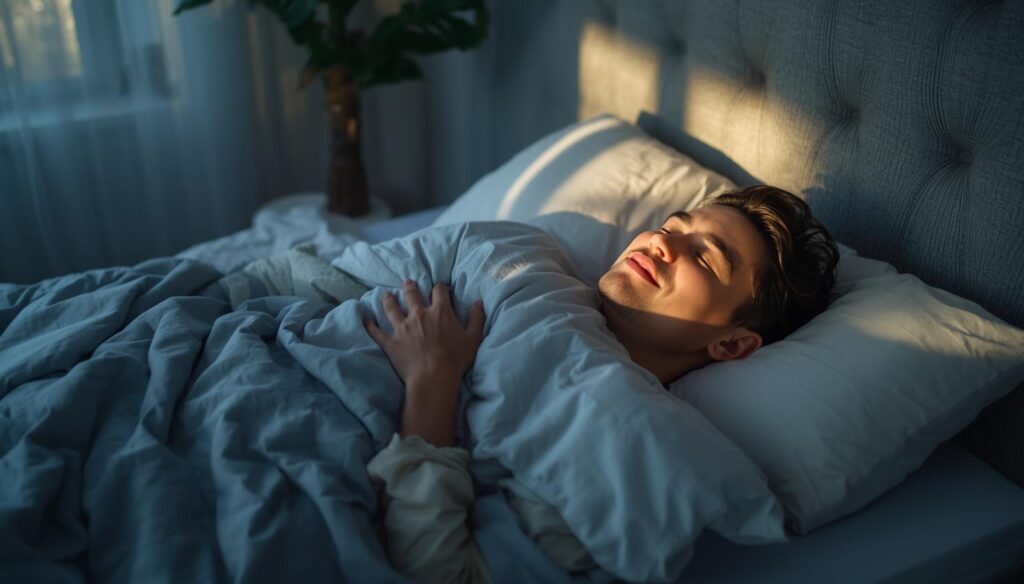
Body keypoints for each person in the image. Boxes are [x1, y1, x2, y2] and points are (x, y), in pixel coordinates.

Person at [362, 185, 840, 582]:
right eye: (673, 226)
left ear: (733, 345)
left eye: (704, 258)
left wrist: (433, 378)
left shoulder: (623, 442)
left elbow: (440, 571)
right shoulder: (524, 261)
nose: (661, 243)